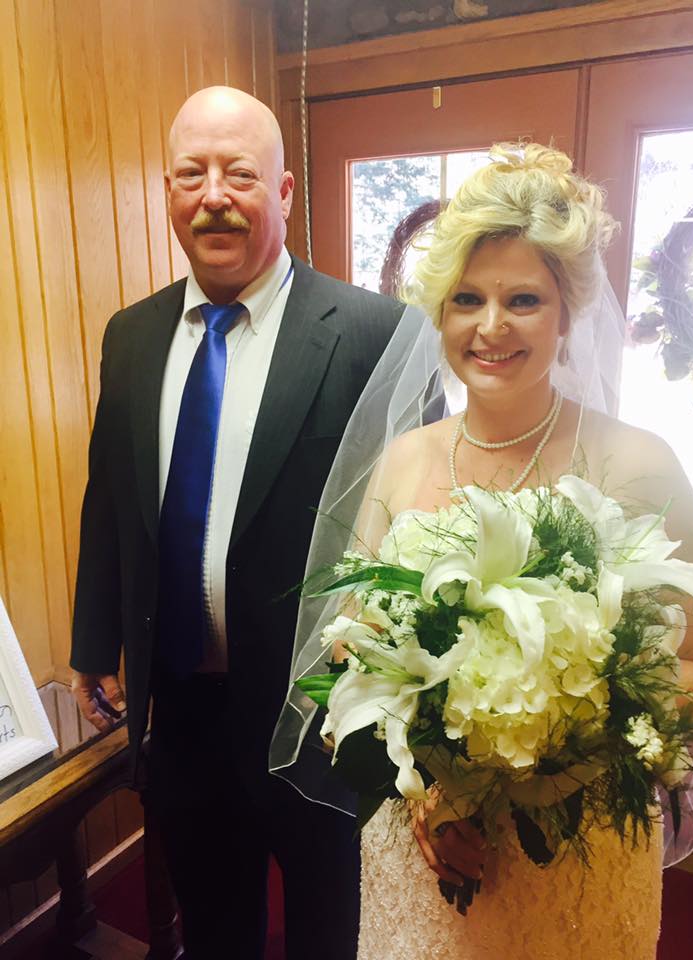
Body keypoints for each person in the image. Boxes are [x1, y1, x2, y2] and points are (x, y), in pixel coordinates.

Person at [273, 144, 693, 959]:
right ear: (439, 313)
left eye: (523, 300)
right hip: (424, 843)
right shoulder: (404, 459)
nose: (491, 327)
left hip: (581, 844)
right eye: (467, 300)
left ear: (567, 312)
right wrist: (421, 790)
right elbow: (350, 650)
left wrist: (569, 758)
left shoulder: (639, 462)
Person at [69, 85, 401, 960]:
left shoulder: (374, 333)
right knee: (216, 934)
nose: (214, 195)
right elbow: (110, 499)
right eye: (192, 173)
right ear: (168, 191)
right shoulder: (130, 336)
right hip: (182, 713)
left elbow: (413, 527)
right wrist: (93, 642)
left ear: (283, 191)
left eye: (240, 174)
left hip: (320, 717)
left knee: (333, 935)